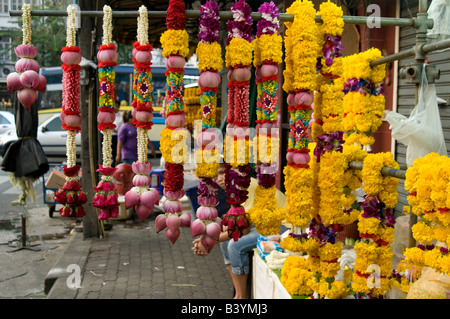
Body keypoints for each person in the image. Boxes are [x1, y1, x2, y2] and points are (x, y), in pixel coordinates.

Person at [192, 166, 287, 299]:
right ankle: (238, 293)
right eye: (216, 176)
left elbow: (242, 229)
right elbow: (233, 223)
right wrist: (208, 238)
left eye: (221, 173)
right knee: (225, 243)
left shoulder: (243, 185)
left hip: (283, 227)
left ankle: (242, 297)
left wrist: (211, 241)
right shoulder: (233, 188)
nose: (219, 179)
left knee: (235, 245)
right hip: (265, 223)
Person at [111, 101, 123, 167]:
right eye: (114, 106)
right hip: (110, 135)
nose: (116, 108)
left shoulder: (121, 115)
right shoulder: (109, 115)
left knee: (116, 150)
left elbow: (122, 125)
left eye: (117, 106)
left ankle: (117, 163)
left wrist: (117, 131)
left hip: (118, 136)